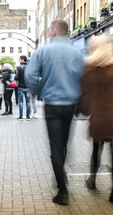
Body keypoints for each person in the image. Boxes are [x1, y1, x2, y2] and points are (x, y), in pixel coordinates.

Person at [25, 18, 85, 206]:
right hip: (70, 105)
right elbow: (84, 79)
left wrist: (40, 91)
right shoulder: (77, 53)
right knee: (64, 144)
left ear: (56, 30)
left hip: (52, 104)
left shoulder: (43, 50)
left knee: (55, 146)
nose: (49, 33)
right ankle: (61, 176)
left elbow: (30, 75)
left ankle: (62, 189)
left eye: (50, 29)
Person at [77, 36, 113, 205]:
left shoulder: (89, 69)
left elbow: (84, 95)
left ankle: (92, 179)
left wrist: (84, 110)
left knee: (97, 150)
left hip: (99, 116)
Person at [16, 55, 31, 121]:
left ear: (22, 60)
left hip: (20, 86)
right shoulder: (30, 67)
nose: (19, 60)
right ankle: (28, 116)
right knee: (28, 102)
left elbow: (16, 77)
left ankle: (21, 116)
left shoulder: (19, 67)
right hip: (28, 86)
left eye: (20, 59)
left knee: (21, 102)